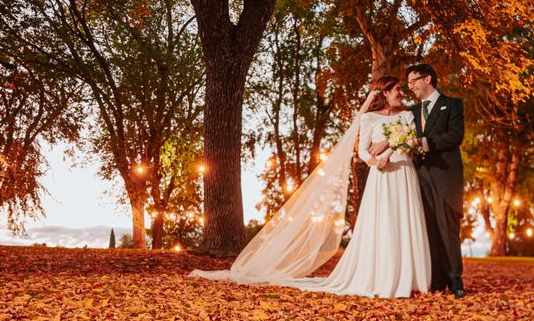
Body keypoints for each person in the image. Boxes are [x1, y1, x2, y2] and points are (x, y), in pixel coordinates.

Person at [189, 76, 430, 298]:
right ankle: (383, 276)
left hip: (403, 171)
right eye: (397, 89)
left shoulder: (407, 115)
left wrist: (390, 144)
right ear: (385, 92)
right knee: (384, 223)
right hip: (382, 175)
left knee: (404, 220)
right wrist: (374, 160)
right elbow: (363, 151)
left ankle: (408, 277)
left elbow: (410, 141)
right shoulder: (368, 118)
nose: (401, 92)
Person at [393, 64, 466, 298]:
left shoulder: (452, 104)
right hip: (420, 177)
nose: (411, 86)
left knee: (448, 229)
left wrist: (423, 143)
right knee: (429, 231)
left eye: (414, 81)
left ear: (428, 79)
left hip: (446, 178)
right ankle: (436, 281)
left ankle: (456, 282)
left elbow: (455, 136)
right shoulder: (412, 112)